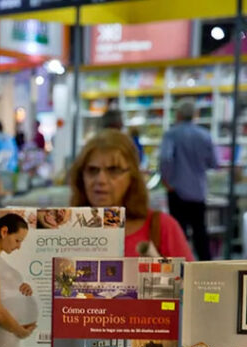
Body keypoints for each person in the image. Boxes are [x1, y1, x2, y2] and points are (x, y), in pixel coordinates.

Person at [70, 130, 194, 259]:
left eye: (113, 170)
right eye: (92, 170)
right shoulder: (65, 230)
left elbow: (190, 278)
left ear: (132, 176)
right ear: (80, 176)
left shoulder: (162, 227)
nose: (101, 180)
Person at [160, 99, 218, 261]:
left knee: (179, 233)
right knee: (200, 231)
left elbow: (166, 158)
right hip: (198, 191)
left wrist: (166, 179)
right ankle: (207, 269)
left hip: (176, 190)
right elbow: (214, 163)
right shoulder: (205, 135)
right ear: (195, 115)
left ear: (178, 115)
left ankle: (181, 270)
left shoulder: (171, 134)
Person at [0, 212, 37, 347]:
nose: (18, 247)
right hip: (6, 335)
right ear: (4, 232)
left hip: (10, 337)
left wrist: (22, 290)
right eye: (17, 240)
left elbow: (4, 292)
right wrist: (21, 331)